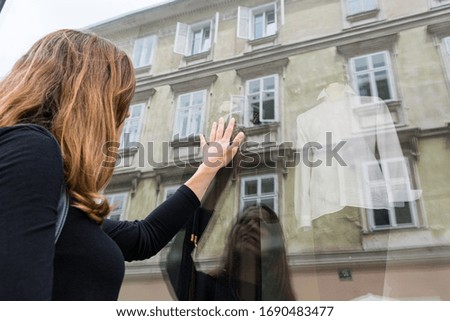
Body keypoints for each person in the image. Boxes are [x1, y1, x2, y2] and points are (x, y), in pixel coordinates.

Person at [0, 29, 244, 300]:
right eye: (120, 112)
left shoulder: (57, 194)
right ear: (91, 104)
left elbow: (145, 237)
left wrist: (209, 168)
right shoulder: (32, 151)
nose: (120, 128)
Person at [165, 167, 296, 300]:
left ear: (276, 244)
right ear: (232, 238)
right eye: (244, 222)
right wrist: (220, 181)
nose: (250, 226)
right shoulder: (209, 290)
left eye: (260, 223)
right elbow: (176, 259)